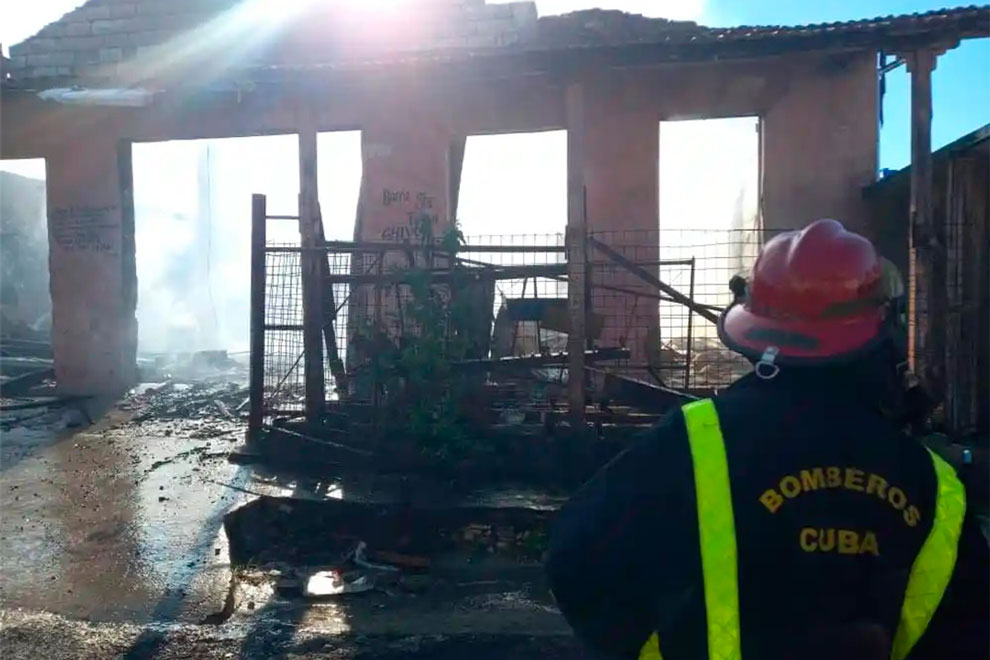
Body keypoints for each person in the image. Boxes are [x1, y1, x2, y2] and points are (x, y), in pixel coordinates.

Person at [546, 219, 988, 660]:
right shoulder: (931, 483)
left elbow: (576, 562)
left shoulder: (694, 441)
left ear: (754, 328)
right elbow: (967, 631)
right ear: (884, 329)